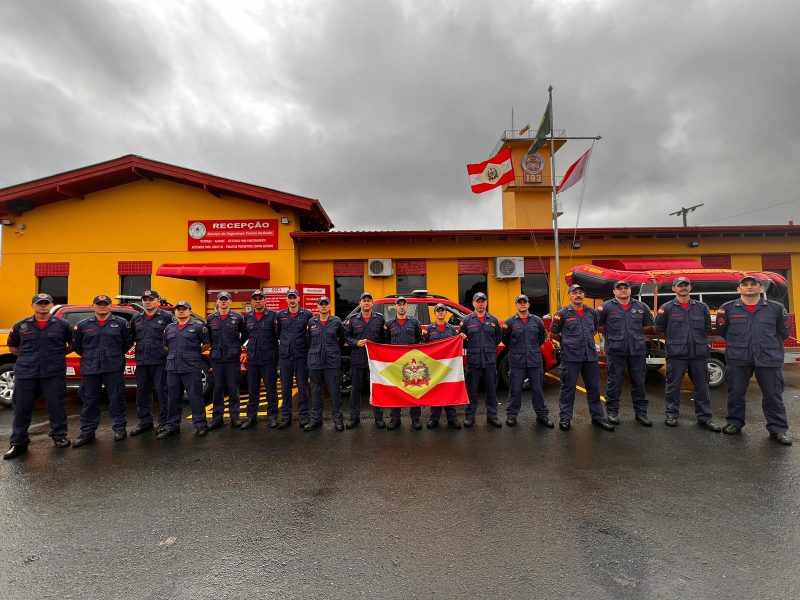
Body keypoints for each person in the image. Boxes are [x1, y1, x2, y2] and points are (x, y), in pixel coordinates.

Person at [716, 276, 792, 445]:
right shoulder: (727, 308)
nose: (749, 287)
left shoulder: (776, 308)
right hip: (738, 357)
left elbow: (784, 332)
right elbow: (723, 331)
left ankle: (778, 429)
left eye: (753, 284)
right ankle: (734, 423)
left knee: (773, 395)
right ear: (739, 289)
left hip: (768, 358)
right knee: (736, 392)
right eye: (745, 285)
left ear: (761, 288)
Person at [4, 294, 73, 459]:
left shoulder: (63, 325)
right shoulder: (21, 325)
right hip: (27, 372)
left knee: (56, 406)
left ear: (51, 305)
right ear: (33, 305)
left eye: (46, 303)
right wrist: (30, 358)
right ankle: (18, 443)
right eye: (39, 303)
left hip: (53, 372)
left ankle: (59, 437)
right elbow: (13, 348)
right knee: (21, 407)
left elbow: (72, 345)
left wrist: (56, 355)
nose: (43, 305)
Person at [654, 277, 721, 431]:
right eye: (680, 286)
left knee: (702, 387)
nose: (683, 288)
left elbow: (706, 328)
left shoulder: (702, 307)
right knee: (673, 386)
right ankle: (671, 415)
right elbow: (659, 328)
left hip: (698, 354)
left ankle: (704, 418)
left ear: (690, 287)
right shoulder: (667, 308)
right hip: (677, 354)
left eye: (686, 285)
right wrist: (675, 341)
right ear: (674, 289)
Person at [549, 284, 614, 431]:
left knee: (594, 388)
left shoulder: (591, 312)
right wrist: (567, 341)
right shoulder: (562, 314)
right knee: (568, 388)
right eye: (574, 293)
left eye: (580, 292)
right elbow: (553, 333)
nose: (578, 295)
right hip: (570, 357)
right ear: (569, 296)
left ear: (583, 295)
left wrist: (586, 341)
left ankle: (598, 418)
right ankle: (565, 418)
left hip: (590, 356)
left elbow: (594, 329)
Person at [72, 295, 133, 447]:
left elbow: (126, 344)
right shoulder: (82, 325)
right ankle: (87, 432)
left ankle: (119, 429)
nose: (102, 306)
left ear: (110, 306)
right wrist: (92, 357)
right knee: (89, 400)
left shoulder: (121, 324)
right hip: (91, 368)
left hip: (113, 367)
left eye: (105, 304)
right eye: (98, 304)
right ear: (93, 306)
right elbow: (78, 347)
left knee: (116, 398)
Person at [597, 281, 655, 427]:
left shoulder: (641, 307)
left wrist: (635, 334)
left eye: (626, 288)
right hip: (616, 351)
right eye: (619, 289)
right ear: (614, 291)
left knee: (639, 382)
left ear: (630, 290)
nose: (623, 291)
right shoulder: (606, 307)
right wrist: (611, 333)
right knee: (614, 383)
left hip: (637, 351)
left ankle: (641, 413)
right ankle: (612, 412)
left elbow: (648, 325)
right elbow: (598, 325)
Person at [158, 301, 211, 438]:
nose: (181, 311)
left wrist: (193, 352)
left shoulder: (199, 327)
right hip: (173, 368)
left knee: (195, 397)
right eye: (178, 309)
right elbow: (165, 345)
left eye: (184, 309)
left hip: (191, 367)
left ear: (190, 311)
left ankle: (200, 425)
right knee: (173, 398)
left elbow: (206, 344)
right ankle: (172, 426)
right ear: (174, 312)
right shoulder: (169, 328)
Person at [501, 294, 552, 428]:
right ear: (516, 305)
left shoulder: (537, 321)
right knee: (515, 389)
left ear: (528, 305)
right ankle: (511, 415)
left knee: (537, 389)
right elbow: (506, 341)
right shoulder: (509, 322)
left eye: (525, 302)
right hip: (517, 362)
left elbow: (541, 338)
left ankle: (542, 416)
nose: (522, 304)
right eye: (520, 302)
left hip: (534, 361)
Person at [129, 290, 174, 436]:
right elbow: (134, 338)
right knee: (142, 393)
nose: (147, 302)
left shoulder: (167, 317)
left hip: (161, 361)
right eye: (145, 299)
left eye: (151, 299)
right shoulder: (136, 318)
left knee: (163, 392)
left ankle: (165, 422)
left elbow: (173, 337)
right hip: (142, 361)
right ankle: (145, 422)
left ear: (158, 302)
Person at [343, 292, 386, 429]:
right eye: (364, 300)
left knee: (376, 388)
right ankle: (354, 418)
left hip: (375, 360)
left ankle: (379, 418)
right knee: (356, 389)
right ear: (360, 303)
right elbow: (346, 337)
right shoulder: (353, 319)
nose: (366, 303)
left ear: (372, 304)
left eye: (369, 300)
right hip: (358, 358)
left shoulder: (379, 319)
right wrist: (356, 342)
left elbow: (384, 339)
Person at [459, 292, 502, 428]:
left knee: (491, 389)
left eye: (483, 301)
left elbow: (497, 339)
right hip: (474, 361)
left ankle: (492, 416)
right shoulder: (466, 321)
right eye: (478, 301)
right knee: (472, 390)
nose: (480, 303)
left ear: (486, 303)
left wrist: (487, 348)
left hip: (489, 361)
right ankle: (470, 416)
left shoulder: (493, 321)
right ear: (473, 303)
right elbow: (463, 341)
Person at [206, 292, 248, 430]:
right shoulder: (211, 318)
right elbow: (208, 338)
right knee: (217, 389)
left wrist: (236, 345)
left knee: (233, 388)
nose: (223, 302)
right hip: (217, 359)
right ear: (217, 302)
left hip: (232, 358)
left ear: (230, 302)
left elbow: (245, 334)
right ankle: (217, 419)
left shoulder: (238, 318)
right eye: (221, 300)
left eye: (226, 300)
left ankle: (235, 417)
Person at [304, 296, 345, 431]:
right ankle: (316, 420)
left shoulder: (336, 322)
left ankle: (338, 420)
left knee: (334, 392)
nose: (323, 306)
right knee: (315, 391)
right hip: (315, 362)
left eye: (326, 304)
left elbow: (341, 340)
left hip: (332, 362)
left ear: (329, 306)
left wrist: (332, 351)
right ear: (317, 307)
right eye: (321, 304)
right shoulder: (311, 323)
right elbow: (309, 341)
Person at [241, 290, 280, 429]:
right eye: (255, 299)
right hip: (253, 360)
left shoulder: (273, 316)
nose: (258, 301)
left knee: (271, 390)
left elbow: (278, 336)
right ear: (252, 301)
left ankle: (272, 417)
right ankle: (252, 417)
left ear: (265, 301)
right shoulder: (247, 317)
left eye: (260, 298)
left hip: (269, 359)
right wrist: (245, 351)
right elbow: (245, 338)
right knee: (252, 390)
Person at [276, 289, 314, 428]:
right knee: (285, 387)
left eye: (294, 297)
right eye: (289, 297)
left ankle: (304, 416)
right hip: (285, 357)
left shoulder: (307, 315)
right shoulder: (280, 315)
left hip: (300, 356)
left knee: (302, 386)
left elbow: (310, 335)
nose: (292, 300)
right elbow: (278, 333)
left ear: (299, 299)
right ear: (286, 300)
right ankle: (286, 417)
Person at [383, 297, 423, 430]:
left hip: (411, 363)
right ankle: (395, 419)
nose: (401, 307)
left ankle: (415, 419)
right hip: (396, 363)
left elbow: (418, 339)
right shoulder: (389, 324)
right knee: (395, 390)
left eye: (403, 304)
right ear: (395, 307)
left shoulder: (415, 322)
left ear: (407, 306)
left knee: (414, 389)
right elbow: (386, 341)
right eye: (398, 304)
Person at [423, 303, 462, 429]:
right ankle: (434, 418)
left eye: (443, 311)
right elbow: (424, 347)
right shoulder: (429, 329)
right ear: (434, 313)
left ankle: (452, 418)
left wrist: (461, 338)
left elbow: (456, 346)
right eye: (438, 311)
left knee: (449, 391)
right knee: (435, 392)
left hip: (448, 366)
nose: (440, 313)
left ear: (446, 313)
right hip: (434, 367)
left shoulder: (452, 330)